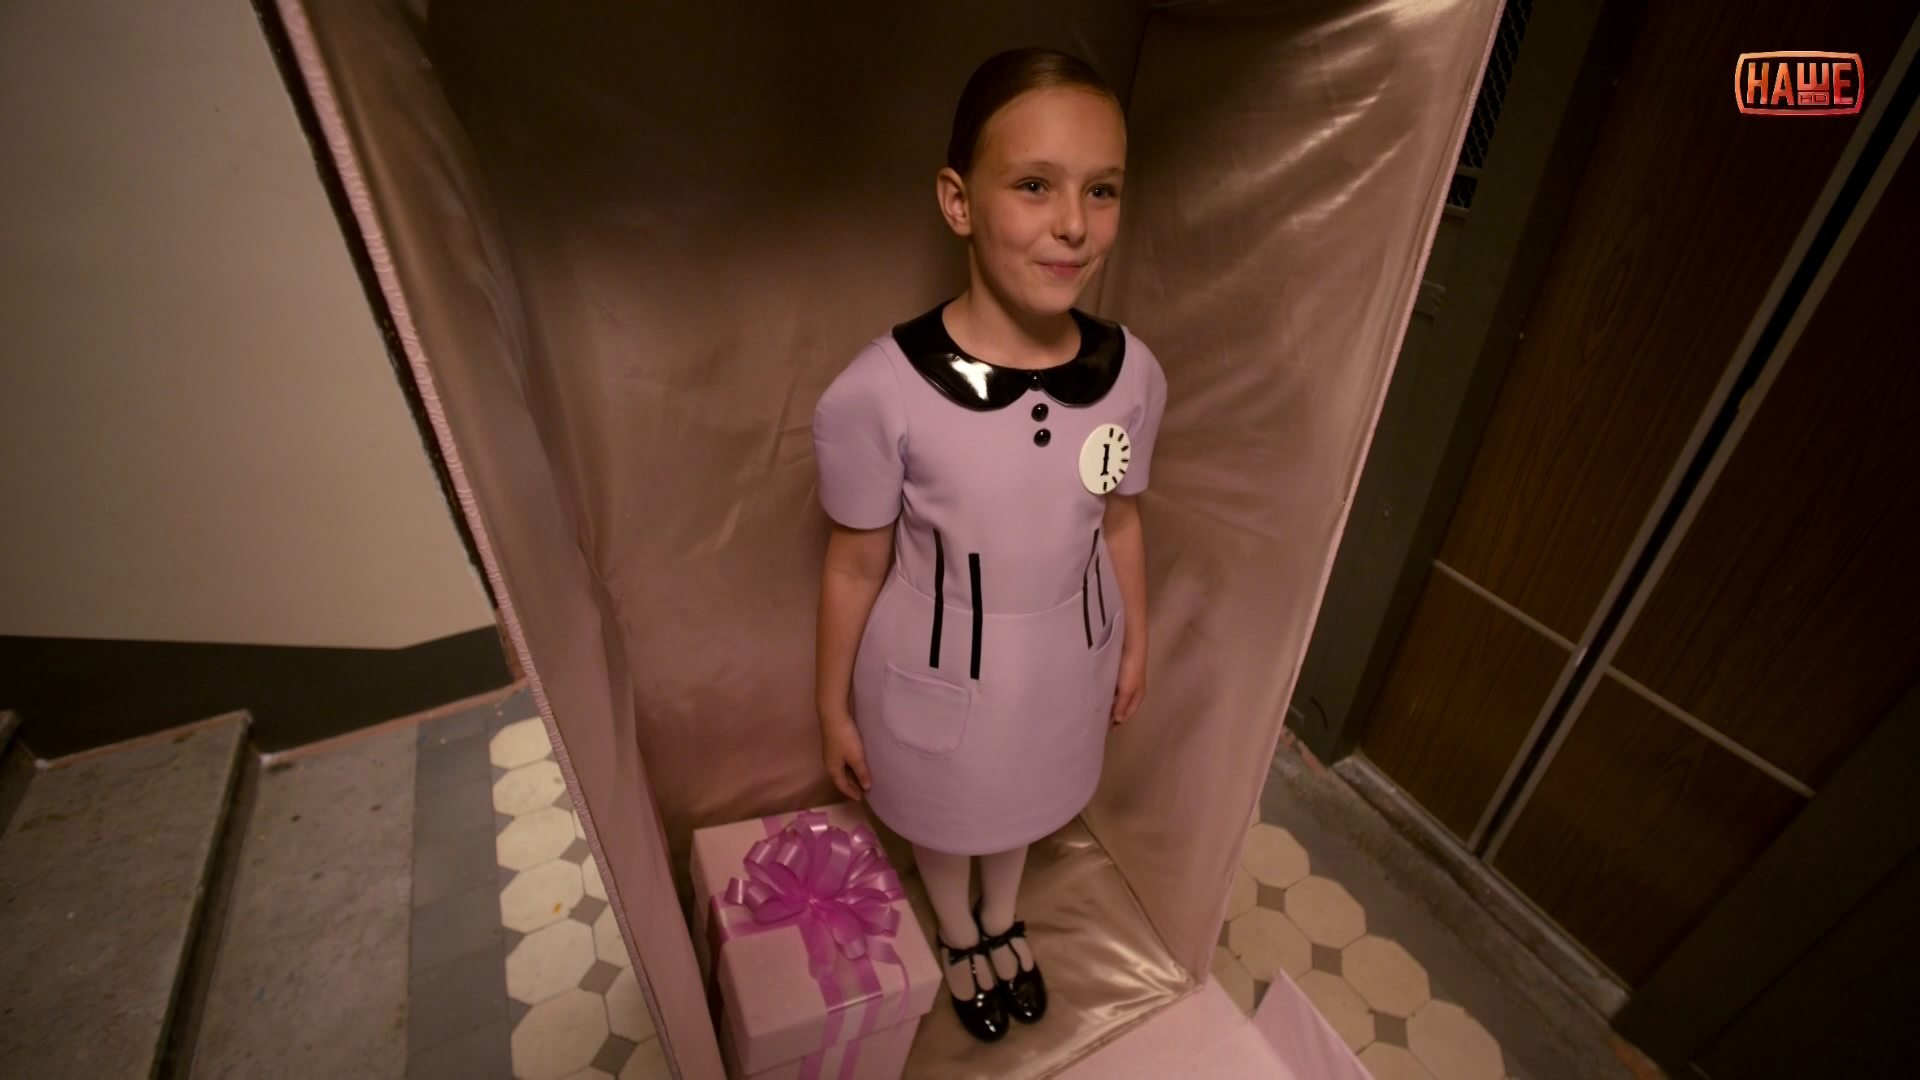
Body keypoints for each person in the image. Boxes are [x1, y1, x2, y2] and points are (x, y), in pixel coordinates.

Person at [810, 47, 1167, 1044]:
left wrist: (1136, 640)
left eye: (1101, 190)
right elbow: (853, 560)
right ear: (959, 201)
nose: (1073, 224)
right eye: (1035, 186)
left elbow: (1121, 515)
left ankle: (1002, 914)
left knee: (1023, 796)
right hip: (938, 662)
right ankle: (959, 927)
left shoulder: (1132, 373)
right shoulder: (879, 391)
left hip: (1066, 654)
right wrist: (830, 704)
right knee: (950, 803)